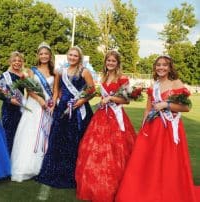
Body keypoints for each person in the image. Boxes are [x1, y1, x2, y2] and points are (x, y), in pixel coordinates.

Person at [116, 55, 200, 202]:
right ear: (155, 67)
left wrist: (166, 105)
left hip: (170, 129)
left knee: (169, 163)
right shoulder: (153, 85)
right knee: (149, 161)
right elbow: (148, 108)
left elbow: (185, 107)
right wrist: (144, 126)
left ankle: (169, 192)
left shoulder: (176, 83)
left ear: (169, 67)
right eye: (158, 65)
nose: (161, 67)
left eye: (164, 65)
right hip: (153, 127)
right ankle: (150, 190)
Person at [75, 50, 136, 202]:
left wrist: (110, 98)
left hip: (116, 118)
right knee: (96, 150)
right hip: (101, 117)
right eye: (108, 61)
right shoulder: (104, 77)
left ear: (118, 63)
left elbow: (126, 100)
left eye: (113, 61)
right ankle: (94, 184)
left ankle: (117, 186)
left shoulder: (123, 79)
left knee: (117, 151)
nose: (110, 63)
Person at [36, 46, 94, 188]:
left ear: (79, 57)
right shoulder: (60, 72)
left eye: (75, 55)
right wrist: (55, 103)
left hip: (79, 111)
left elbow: (92, 90)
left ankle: (73, 175)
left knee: (75, 142)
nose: (72, 57)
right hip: (62, 109)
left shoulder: (84, 71)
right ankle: (55, 172)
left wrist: (80, 101)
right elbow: (57, 90)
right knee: (57, 140)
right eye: (70, 55)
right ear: (67, 56)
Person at [10, 42, 58, 182]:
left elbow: (55, 91)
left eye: (46, 54)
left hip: (49, 106)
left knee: (46, 134)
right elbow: (29, 90)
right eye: (41, 54)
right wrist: (40, 101)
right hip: (36, 105)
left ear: (50, 55)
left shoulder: (55, 72)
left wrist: (52, 103)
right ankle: (29, 167)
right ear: (38, 55)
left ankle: (43, 165)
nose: (44, 56)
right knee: (31, 134)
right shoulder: (32, 71)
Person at [0, 51, 26, 155]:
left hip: (20, 109)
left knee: (19, 135)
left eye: (19, 61)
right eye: (14, 60)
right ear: (10, 61)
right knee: (9, 135)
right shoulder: (5, 75)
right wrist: (10, 99)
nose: (17, 62)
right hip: (9, 110)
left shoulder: (23, 75)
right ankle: (7, 159)